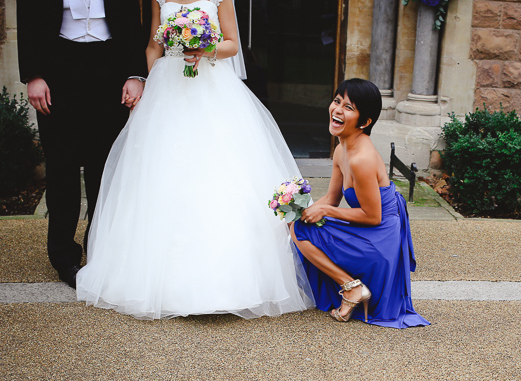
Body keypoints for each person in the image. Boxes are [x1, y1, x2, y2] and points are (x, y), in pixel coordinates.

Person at [75, 0, 314, 319]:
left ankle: (227, 282)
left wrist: (205, 49)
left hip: (211, 85)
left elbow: (232, 43)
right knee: (164, 170)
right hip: (168, 88)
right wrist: (153, 81)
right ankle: (156, 278)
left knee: (217, 170)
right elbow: (152, 46)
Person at [17, 0, 152, 288]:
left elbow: (132, 20)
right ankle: (64, 256)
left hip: (111, 65)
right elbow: (28, 14)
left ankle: (101, 249)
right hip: (58, 64)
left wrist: (136, 74)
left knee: (103, 166)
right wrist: (33, 74)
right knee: (61, 165)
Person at [291, 78, 429, 328]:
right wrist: (301, 209)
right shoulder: (341, 149)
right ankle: (350, 285)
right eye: (336, 101)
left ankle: (351, 287)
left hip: (380, 236)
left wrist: (323, 211)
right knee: (295, 222)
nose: (337, 110)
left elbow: (373, 217)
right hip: (370, 228)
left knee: (300, 231)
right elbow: (332, 198)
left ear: (365, 122)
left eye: (349, 107)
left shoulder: (361, 159)